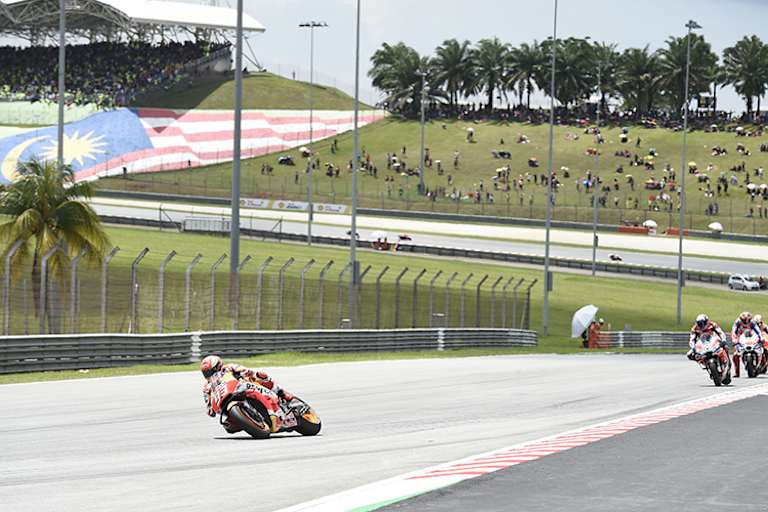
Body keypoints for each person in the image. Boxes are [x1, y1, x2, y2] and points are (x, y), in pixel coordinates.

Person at [200, 355, 295, 433]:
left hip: (242, 387)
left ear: (218, 366)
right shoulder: (206, 387)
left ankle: (281, 393)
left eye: (210, 371)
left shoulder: (229, 368)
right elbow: (209, 409)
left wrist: (251, 375)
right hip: (225, 402)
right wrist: (211, 409)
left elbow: (247, 371)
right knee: (229, 427)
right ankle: (254, 421)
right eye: (206, 373)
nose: (209, 374)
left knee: (262, 377)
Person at [730, 311, 760, 377]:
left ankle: (759, 366)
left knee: (760, 349)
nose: (746, 322)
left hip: (751, 338)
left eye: (747, 320)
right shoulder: (737, 322)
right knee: (735, 355)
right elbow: (733, 331)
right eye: (744, 320)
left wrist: (761, 338)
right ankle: (737, 372)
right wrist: (734, 339)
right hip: (740, 338)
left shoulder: (752, 322)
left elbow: (758, 331)